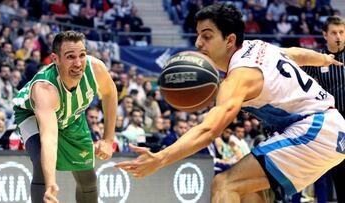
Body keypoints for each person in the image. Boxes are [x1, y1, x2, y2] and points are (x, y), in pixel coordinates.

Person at [115, 4, 344, 203]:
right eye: (198, 35)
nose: (198, 43)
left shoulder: (239, 77)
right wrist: (323, 58)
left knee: (224, 185)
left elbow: (209, 130)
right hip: (329, 127)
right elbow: (295, 54)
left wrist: (161, 159)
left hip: (315, 129)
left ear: (230, 39)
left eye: (207, 36)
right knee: (248, 193)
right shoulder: (258, 46)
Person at [13, 31, 118, 203]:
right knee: (42, 164)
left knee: (88, 179)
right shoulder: (45, 90)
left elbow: (110, 94)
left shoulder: (96, 68)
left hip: (71, 116)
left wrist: (108, 139)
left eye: (82, 55)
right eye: (70, 57)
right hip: (32, 114)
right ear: (55, 59)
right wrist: (51, 183)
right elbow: (49, 139)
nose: (78, 63)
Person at [302, 16, 345, 203]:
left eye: (342, 32)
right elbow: (299, 82)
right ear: (324, 35)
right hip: (333, 123)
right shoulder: (317, 59)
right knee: (339, 170)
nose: (338, 36)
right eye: (334, 33)